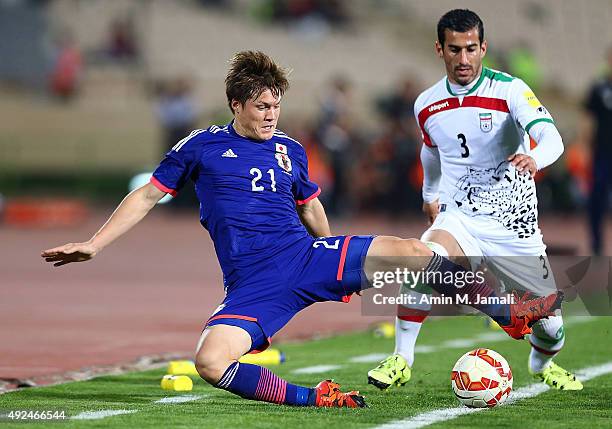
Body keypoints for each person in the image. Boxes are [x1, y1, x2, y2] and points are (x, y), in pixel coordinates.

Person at [42, 51, 562, 409]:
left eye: (277, 105)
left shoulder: (290, 150)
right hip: (254, 282)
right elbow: (148, 194)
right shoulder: (198, 146)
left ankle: (508, 315)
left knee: (411, 250)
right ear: (237, 106)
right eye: (262, 106)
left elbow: (310, 207)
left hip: (306, 255)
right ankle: (317, 396)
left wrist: (337, 259)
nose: (272, 115)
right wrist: (93, 243)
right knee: (210, 361)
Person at [367, 9, 582, 392]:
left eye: (471, 49)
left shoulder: (510, 90)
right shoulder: (426, 104)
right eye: (454, 49)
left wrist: (536, 157)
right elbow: (431, 153)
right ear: (439, 49)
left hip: (514, 225)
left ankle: (540, 361)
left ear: (484, 48)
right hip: (460, 215)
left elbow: (552, 138)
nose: (463, 59)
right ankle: (402, 358)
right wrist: (430, 194)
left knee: (551, 327)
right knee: (425, 255)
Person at [584, 46, 612, 255]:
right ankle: (596, 244)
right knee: (597, 198)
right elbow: (588, 119)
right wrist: (584, 146)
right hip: (602, 152)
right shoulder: (599, 88)